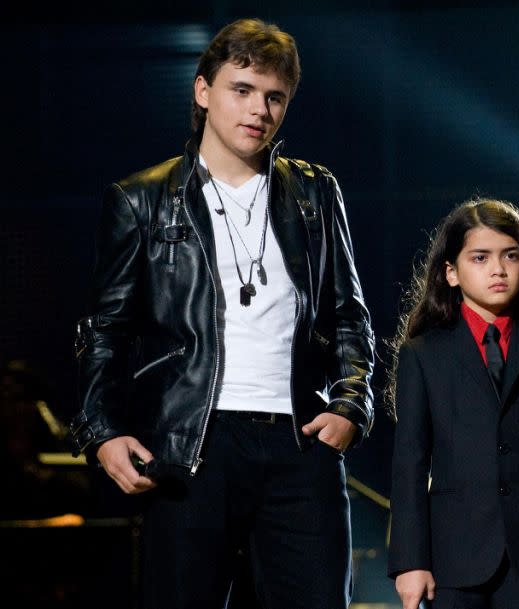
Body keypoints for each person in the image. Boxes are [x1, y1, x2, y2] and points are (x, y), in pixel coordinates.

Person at [68, 18, 375, 609]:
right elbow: (105, 330)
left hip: (300, 444)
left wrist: (350, 407)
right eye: (242, 89)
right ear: (203, 90)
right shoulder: (142, 199)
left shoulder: (315, 193)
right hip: (191, 446)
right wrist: (101, 433)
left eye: (274, 97)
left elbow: (349, 317)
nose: (258, 109)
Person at [387, 198, 519, 609]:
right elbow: (409, 462)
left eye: (510, 256)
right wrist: (410, 562)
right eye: (480, 258)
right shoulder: (422, 355)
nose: (498, 270)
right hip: (452, 562)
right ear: (450, 272)